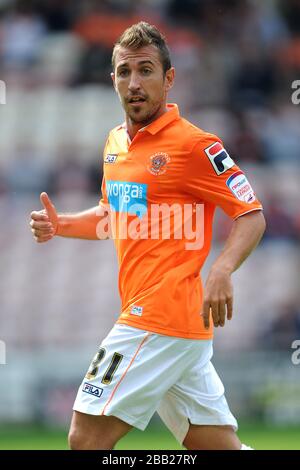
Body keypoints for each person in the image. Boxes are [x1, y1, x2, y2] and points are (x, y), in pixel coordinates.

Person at [30, 22, 266, 450]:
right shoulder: (115, 143)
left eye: (145, 70)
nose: (134, 83)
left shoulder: (196, 145)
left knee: (85, 438)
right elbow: (112, 216)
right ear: (113, 79)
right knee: (216, 446)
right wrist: (60, 224)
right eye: (124, 72)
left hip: (157, 315)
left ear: (169, 79)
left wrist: (223, 268)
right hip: (181, 329)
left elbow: (251, 214)